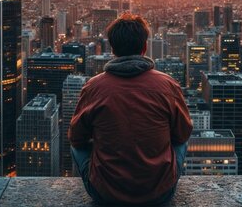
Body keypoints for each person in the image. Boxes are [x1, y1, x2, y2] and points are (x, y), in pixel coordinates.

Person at [69, 13, 193, 205]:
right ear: (145, 47)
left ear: (112, 49)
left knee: (76, 146)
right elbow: (183, 134)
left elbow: (76, 138)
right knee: (181, 142)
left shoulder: (93, 87)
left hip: (105, 194)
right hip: (159, 194)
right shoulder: (167, 85)